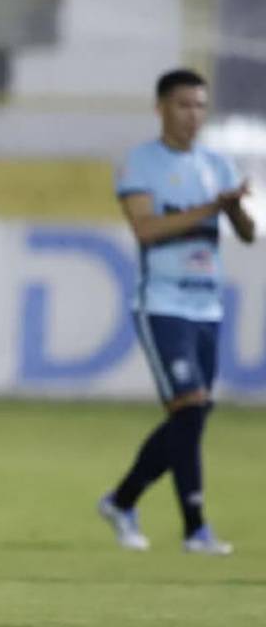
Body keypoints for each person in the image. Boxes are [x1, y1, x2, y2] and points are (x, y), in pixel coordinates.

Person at [98, 69, 254, 554]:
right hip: (161, 303)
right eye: (184, 105)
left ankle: (122, 500)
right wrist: (212, 206)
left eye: (201, 106)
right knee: (189, 406)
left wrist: (234, 209)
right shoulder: (140, 164)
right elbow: (145, 229)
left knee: (194, 415)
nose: (193, 115)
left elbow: (247, 234)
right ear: (161, 107)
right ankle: (195, 528)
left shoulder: (217, 164)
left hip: (207, 303)